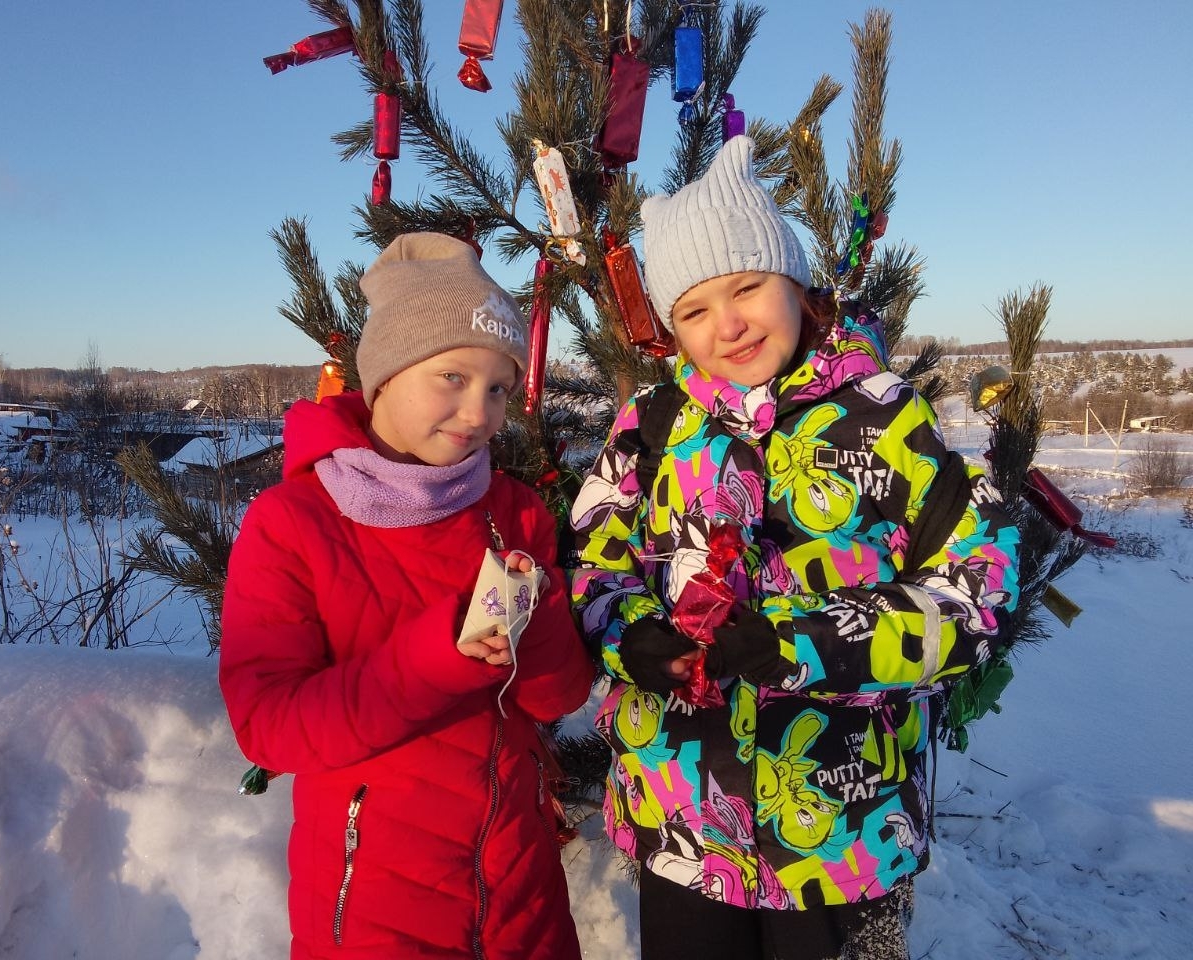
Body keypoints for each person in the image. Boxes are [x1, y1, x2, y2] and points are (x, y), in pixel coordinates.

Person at [568, 136, 1020, 960]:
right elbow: (596, 564)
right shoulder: (652, 427)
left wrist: (798, 646)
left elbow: (975, 594)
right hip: (682, 821)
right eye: (694, 310)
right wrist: (628, 636)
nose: (729, 324)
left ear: (796, 283)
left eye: (747, 287)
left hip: (846, 834)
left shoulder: (888, 420)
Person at [220, 232, 595, 960]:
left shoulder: (514, 512)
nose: (478, 413)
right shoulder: (295, 522)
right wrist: (434, 660)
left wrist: (541, 612)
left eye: (498, 388)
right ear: (386, 375)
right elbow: (268, 726)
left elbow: (557, 697)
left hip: (522, 894)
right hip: (377, 907)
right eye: (453, 376)